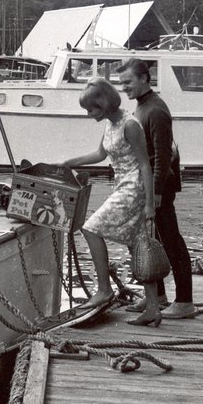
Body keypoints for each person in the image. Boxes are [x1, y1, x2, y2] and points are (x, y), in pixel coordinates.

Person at [59, 78, 161, 326]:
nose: (88, 114)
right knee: (137, 242)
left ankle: (104, 290)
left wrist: (149, 203)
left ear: (103, 104)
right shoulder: (110, 124)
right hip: (123, 183)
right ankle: (153, 307)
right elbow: (100, 154)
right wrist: (68, 163)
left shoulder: (130, 125)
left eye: (91, 109)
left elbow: (146, 165)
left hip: (134, 185)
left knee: (90, 227)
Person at [117, 58, 196, 320]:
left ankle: (185, 301)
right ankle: (158, 296)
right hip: (147, 186)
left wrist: (158, 193)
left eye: (128, 82)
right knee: (152, 241)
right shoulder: (142, 107)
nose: (124, 87)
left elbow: (163, 157)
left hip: (158, 188)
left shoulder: (156, 110)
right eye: (121, 83)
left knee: (171, 242)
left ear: (143, 78)